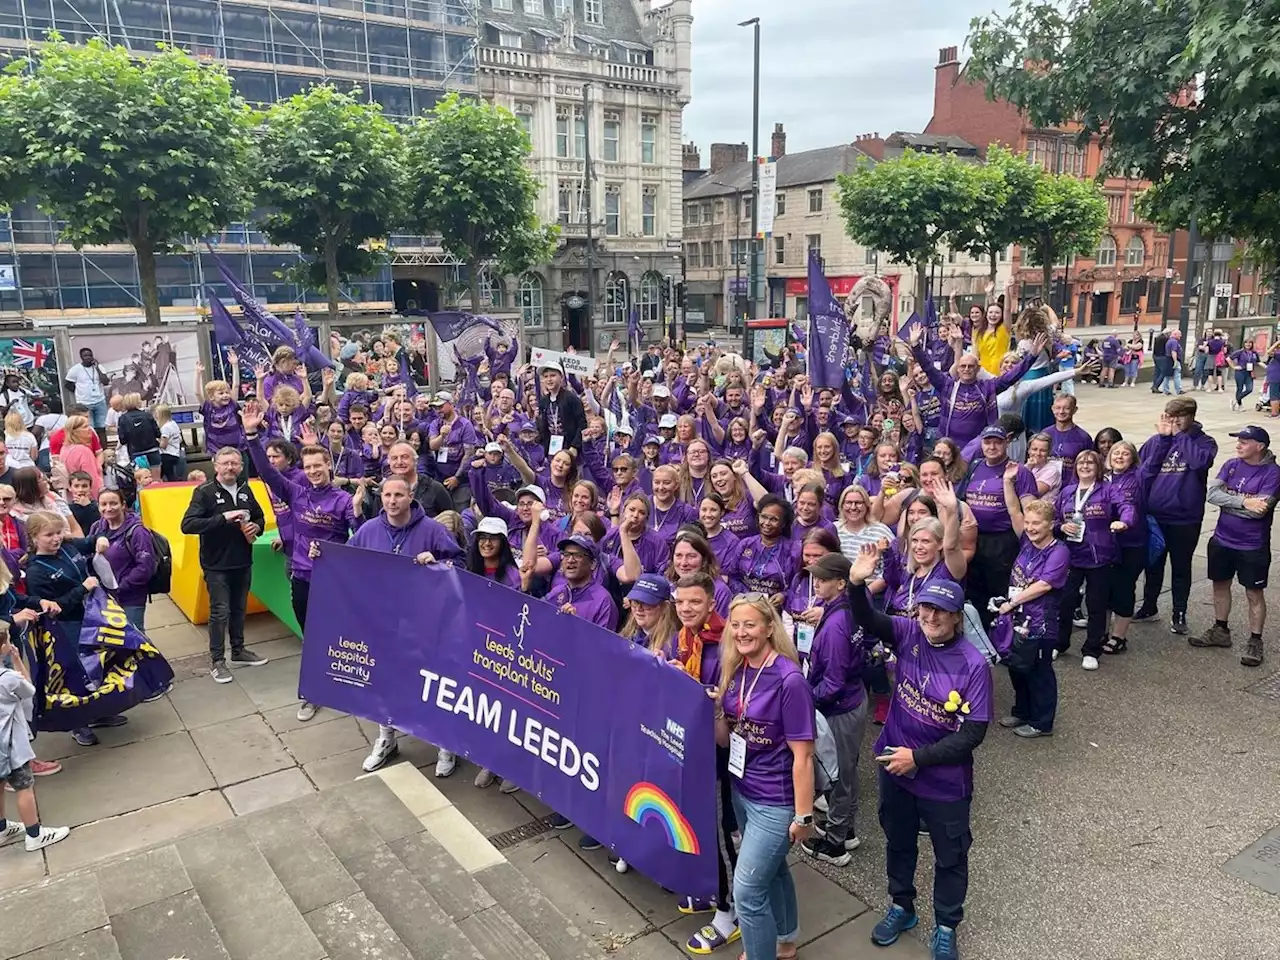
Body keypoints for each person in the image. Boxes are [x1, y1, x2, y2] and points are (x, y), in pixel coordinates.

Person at [848, 547, 991, 960]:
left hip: (944, 783)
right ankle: (901, 906)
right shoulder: (909, 632)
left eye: (939, 614)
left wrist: (919, 758)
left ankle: (946, 925)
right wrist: (857, 584)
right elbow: (866, 619)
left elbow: (973, 733)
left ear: (957, 617)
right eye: (925, 611)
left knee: (950, 856)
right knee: (899, 841)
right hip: (896, 767)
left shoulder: (973, 665)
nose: (929, 620)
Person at [713, 593, 815, 960]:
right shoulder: (736, 668)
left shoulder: (790, 680)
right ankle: (787, 944)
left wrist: (804, 817)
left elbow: (803, 756)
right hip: (742, 788)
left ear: (770, 627)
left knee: (747, 891)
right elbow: (728, 737)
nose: (741, 632)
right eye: (736, 625)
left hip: (776, 800)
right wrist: (714, 712)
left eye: (750, 624)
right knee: (773, 874)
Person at [244, 400, 360, 721]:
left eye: (318, 466)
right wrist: (252, 436)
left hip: (334, 581)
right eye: (308, 468)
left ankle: (347, 687)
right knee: (311, 639)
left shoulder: (343, 500)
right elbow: (267, 472)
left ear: (329, 467)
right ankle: (312, 693)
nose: (313, 472)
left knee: (338, 636)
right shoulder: (295, 492)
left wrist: (359, 513)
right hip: (303, 578)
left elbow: (361, 536)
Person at [353, 477, 466, 773]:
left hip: (426, 623)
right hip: (383, 621)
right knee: (384, 682)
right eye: (387, 495)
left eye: (398, 495)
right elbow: (347, 561)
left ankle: (444, 742)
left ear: (410, 496)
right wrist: (320, 555)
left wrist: (438, 562)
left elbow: (461, 563)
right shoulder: (368, 530)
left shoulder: (432, 530)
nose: (392, 501)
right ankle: (387, 738)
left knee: (433, 682)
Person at [797, 551, 869, 869]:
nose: (817, 582)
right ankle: (846, 828)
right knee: (847, 768)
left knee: (839, 774)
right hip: (851, 701)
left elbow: (834, 682)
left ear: (841, 583)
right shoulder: (844, 608)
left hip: (840, 707)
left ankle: (836, 843)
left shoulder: (838, 625)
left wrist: (806, 699)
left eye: (824, 579)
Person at [180, 447, 269, 683]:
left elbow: (260, 516)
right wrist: (223, 518)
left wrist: (256, 527)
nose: (230, 468)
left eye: (234, 464)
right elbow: (188, 525)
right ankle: (217, 660)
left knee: (239, 609)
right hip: (216, 563)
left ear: (241, 466)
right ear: (215, 465)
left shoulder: (245, 489)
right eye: (225, 463)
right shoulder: (204, 492)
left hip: (242, 560)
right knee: (220, 612)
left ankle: (238, 651)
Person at [1197, 425, 1280, 667]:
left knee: (1254, 593)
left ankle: (1255, 640)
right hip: (1222, 539)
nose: (1239, 445)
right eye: (1239, 440)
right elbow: (1212, 494)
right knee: (1220, 585)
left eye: (1245, 441)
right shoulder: (1231, 465)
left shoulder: (1273, 473)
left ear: (1260, 446)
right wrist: (1245, 501)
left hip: (1252, 545)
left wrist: (1230, 503)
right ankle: (1220, 630)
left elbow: (1259, 512)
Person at [1136, 398, 1218, 634]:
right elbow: (1144, 471)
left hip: (1185, 518)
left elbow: (1198, 463)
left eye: (1179, 417)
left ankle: (1179, 612)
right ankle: (1149, 606)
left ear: (1190, 416)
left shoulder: (1205, 442)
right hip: (1156, 516)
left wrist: (1180, 436)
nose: (1173, 422)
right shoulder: (1156, 441)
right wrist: (1164, 439)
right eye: (1169, 417)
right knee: (1153, 565)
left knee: (1181, 567)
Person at [1052, 450, 1135, 670]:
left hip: (1099, 556)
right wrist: (1060, 527)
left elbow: (1127, 507)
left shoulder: (1109, 490)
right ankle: (1060, 644)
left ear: (1098, 467)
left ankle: (1091, 650)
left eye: (1090, 463)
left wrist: (1123, 522)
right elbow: (1053, 518)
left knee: (1096, 605)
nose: (1085, 466)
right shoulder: (1067, 492)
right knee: (1065, 602)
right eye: (1081, 462)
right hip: (1070, 556)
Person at [998, 498, 1071, 738]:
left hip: (1041, 623)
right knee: (1017, 666)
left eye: (1037, 523)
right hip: (1018, 620)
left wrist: (1012, 603)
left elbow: (1044, 584)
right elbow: (1012, 510)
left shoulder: (1059, 551)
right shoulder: (1027, 542)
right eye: (1028, 522)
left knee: (1039, 671)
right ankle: (1022, 711)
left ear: (1051, 524)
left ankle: (1042, 722)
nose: (1030, 527)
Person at [0, 625, 71, 852]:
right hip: (12, 746)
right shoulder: (8, 679)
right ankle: (34, 834)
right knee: (24, 787)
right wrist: (18, 660)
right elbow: (28, 688)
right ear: (3, 646)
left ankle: (1, 829)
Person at [89, 488, 157, 632]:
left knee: (134, 638)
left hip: (131, 598)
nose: (108, 508)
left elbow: (145, 567)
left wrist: (120, 587)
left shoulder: (138, 532)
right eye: (103, 504)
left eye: (113, 503)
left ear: (123, 505)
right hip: (103, 598)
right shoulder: (96, 528)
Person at [537, 361, 586, 458]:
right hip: (552, 448)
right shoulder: (543, 401)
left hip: (570, 448)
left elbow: (582, 424)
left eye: (552, 375)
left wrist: (575, 446)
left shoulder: (571, 398)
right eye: (546, 376)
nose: (549, 379)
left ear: (561, 377)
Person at [63, 347, 110, 438]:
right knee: (88, 428)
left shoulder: (98, 367)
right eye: (85, 356)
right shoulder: (75, 369)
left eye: (90, 355)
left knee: (102, 428)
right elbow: (67, 384)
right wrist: (79, 392)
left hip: (100, 401)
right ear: (81, 357)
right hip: (84, 403)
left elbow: (106, 382)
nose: (88, 357)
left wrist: (97, 368)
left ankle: (103, 450)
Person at [57, 418, 102, 500]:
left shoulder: (65, 448)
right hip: (87, 500)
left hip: (73, 497)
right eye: (85, 427)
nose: (89, 429)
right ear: (75, 431)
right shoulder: (83, 451)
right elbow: (92, 480)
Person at [1228, 337, 1261, 412]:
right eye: (1246, 343)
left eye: (1250, 343)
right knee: (1240, 388)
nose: (1248, 344)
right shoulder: (1240, 352)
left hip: (1250, 372)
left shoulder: (1254, 353)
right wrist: (1234, 367)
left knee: (1249, 389)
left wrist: (1267, 367)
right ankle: (1240, 405)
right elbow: (1229, 359)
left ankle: (1235, 400)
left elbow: (1258, 361)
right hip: (1241, 372)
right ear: (1244, 344)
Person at [154, 404, 185, 482]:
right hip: (175, 453)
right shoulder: (173, 424)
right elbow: (180, 439)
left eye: (156, 413)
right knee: (165, 475)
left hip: (166, 455)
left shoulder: (165, 428)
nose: (155, 415)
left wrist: (155, 441)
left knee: (169, 476)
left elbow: (163, 445)